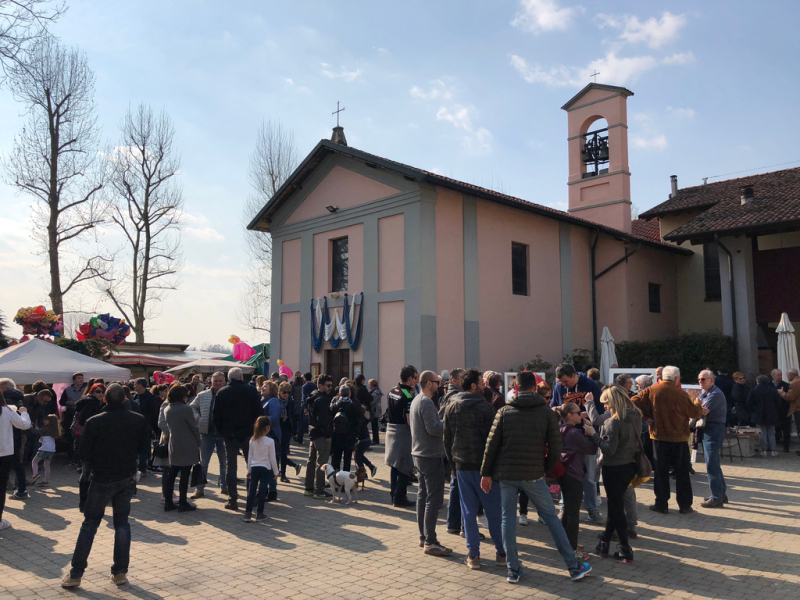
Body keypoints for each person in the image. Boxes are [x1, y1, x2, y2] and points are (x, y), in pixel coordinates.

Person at [480, 371, 592, 584]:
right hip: (534, 474)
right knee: (551, 518)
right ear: (534, 388)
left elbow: (491, 444)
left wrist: (486, 473)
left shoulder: (504, 411)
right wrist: (545, 469)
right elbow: (556, 446)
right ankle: (573, 566)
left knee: (507, 520)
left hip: (507, 474)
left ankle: (513, 569)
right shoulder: (546, 413)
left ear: (516, 388)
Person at [61, 383, 150, 588]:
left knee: (90, 524)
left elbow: (84, 453)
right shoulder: (138, 419)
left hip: (102, 477)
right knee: (122, 524)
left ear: (105, 399)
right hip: (126, 476)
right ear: (125, 399)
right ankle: (120, 572)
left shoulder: (95, 421)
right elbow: (145, 449)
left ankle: (76, 574)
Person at [444, 368, 504, 570]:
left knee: (468, 512)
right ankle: (501, 553)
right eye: (481, 382)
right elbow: (494, 442)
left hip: (462, 466)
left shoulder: (452, 406)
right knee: (493, 511)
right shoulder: (487, 408)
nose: (484, 385)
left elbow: (446, 439)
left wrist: (452, 465)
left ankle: (474, 555)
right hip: (484, 469)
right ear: (472, 385)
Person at [632, 366, 705, 514]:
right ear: (676, 378)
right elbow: (694, 413)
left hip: (659, 437)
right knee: (682, 472)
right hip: (679, 438)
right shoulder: (681, 394)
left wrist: (645, 417)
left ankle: (661, 504)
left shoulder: (651, 391)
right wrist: (698, 403)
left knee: (660, 472)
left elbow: (632, 402)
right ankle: (685, 505)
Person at [592, 386, 642, 563]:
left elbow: (609, 449)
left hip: (613, 467)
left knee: (616, 508)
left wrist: (594, 435)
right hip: (629, 465)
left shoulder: (613, 421)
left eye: (605, 403)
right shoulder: (635, 416)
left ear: (613, 402)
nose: (604, 407)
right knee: (615, 506)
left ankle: (624, 548)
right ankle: (605, 542)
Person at [552, 362, 604, 525]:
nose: (563, 385)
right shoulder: (559, 387)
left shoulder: (590, 385)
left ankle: (592, 509)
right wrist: (557, 410)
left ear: (574, 375)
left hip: (586, 435)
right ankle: (564, 507)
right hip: (567, 437)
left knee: (589, 477)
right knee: (565, 473)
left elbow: (600, 410)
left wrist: (587, 414)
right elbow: (552, 406)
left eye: (566, 381)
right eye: (561, 382)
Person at [410, 370, 451, 557]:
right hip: (429, 455)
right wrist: (447, 421)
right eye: (437, 382)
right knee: (433, 500)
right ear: (428, 383)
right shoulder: (425, 402)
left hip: (420, 454)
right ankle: (430, 541)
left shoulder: (417, 400)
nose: (439, 385)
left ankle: (423, 537)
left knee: (423, 496)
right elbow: (433, 429)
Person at [213, 367, 263, 511]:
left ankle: (232, 499)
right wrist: (255, 431)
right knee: (251, 465)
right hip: (248, 434)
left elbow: (216, 416)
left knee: (231, 467)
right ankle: (252, 497)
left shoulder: (222, 392)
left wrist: (223, 432)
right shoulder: (251, 391)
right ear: (241, 376)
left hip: (230, 435)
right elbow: (259, 413)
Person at [556, 402, 598, 561]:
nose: (581, 415)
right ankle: (572, 549)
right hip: (573, 474)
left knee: (568, 509)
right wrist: (591, 434)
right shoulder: (574, 433)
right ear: (569, 415)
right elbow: (591, 449)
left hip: (564, 473)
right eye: (578, 412)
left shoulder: (560, 429)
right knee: (573, 512)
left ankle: (565, 544)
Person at [518, 381, 553, 526]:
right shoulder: (534, 411)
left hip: (542, 453)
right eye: (547, 398)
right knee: (525, 487)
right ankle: (523, 513)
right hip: (529, 453)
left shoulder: (547, 411)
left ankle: (541, 514)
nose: (549, 400)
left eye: (550, 397)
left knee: (541, 488)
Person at [163, 384, 201, 513]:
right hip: (187, 443)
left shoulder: (167, 408)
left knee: (172, 474)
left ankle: (168, 502)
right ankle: (183, 502)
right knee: (185, 475)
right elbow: (194, 427)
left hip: (174, 443)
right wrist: (199, 443)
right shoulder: (186, 408)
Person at [189, 371, 227, 499]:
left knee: (224, 462)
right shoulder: (202, 395)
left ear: (224, 382)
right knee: (203, 463)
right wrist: (197, 417)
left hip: (224, 434)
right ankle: (199, 489)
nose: (217, 383)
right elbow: (192, 407)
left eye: (220, 381)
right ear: (211, 381)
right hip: (207, 434)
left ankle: (224, 486)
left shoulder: (228, 394)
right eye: (215, 381)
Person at [385, 365, 418, 508]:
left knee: (394, 465)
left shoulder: (392, 390)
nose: (417, 380)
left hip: (391, 430)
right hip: (403, 433)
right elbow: (410, 419)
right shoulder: (408, 396)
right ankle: (400, 497)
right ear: (410, 378)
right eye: (416, 377)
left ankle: (393, 494)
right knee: (405, 466)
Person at [696, 369, 729, 508]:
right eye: (699, 379)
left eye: (703, 379)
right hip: (708, 429)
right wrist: (697, 405)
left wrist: (697, 406)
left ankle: (716, 497)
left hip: (714, 429)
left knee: (711, 463)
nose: (700, 382)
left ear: (711, 380)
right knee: (713, 462)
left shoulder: (715, 394)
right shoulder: (705, 393)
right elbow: (698, 405)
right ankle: (721, 493)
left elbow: (701, 411)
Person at [438, 367, 465, 535]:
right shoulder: (454, 397)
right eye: (462, 378)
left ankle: (453, 523)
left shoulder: (450, 395)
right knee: (459, 485)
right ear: (454, 380)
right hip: (456, 445)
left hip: (453, 445)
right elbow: (443, 418)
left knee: (455, 485)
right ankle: (458, 524)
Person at [1, 389, 31, 531]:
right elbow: (24, 424)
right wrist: (24, 412)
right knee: (1, 488)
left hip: (4, 452)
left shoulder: (7, 410)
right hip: (4, 453)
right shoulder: (6, 411)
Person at [75, 384, 106, 511]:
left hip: (86, 442)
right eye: (98, 391)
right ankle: (84, 502)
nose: (101, 394)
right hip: (88, 442)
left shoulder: (92, 402)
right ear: (92, 392)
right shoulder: (92, 403)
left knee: (86, 473)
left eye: (103, 392)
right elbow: (84, 420)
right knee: (86, 473)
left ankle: (84, 502)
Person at [304, 374, 335, 499]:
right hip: (321, 435)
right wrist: (327, 434)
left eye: (331, 385)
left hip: (313, 433)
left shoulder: (314, 396)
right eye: (328, 385)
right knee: (321, 463)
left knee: (311, 462)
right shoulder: (322, 400)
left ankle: (308, 488)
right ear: (320, 385)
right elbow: (323, 421)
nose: (330, 388)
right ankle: (319, 490)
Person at [244, 416, 279, 522]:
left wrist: (249, 470)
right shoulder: (270, 441)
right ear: (267, 428)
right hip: (265, 468)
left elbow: (250, 456)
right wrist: (276, 472)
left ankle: (248, 513)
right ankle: (260, 513)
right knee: (262, 491)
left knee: (251, 491)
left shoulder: (252, 440)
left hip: (254, 467)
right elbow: (272, 458)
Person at [330, 385, 362, 472]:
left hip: (336, 436)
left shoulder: (334, 406)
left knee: (336, 459)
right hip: (349, 436)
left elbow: (330, 421)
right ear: (349, 394)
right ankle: (346, 478)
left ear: (340, 394)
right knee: (347, 461)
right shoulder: (353, 406)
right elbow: (357, 422)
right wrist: (356, 435)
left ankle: (336, 477)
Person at [747, 375, 782, 457]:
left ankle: (764, 450)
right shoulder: (772, 389)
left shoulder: (754, 390)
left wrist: (754, 410)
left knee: (762, 433)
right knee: (771, 433)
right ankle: (773, 450)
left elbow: (749, 402)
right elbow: (779, 402)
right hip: (772, 413)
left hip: (759, 414)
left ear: (758, 381)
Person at [277, 382, 302, 484]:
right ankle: (279, 471)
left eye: (288, 392)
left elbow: (294, 416)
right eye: (284, 392)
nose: (286, 394)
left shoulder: (291, 402)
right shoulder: (275, 401)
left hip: (286, 428)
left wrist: (294, 431)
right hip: (276, 428)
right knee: (276, 452)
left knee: (283, 452)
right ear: (279, 391)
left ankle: (283, 474)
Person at [31, 414, 60, 488]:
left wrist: (30, 426)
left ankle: (35, 474)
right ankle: (46, 481)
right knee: (47, 465)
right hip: (52, 449)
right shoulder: (54, 430)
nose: (44, 421)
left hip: (44, 448)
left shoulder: (46, 428)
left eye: (46, 420)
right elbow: (40, 431)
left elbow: (36, 432)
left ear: (49, 421)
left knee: (34, 461)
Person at [771, 369, 792, 452]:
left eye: (781, 375)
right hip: (773, 410)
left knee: (786, 429)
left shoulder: (786, 385)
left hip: (785, 410)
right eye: (778, 375)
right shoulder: (769, 385)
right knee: (776, 428)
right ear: (773, 376)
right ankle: (776, 442)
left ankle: (786, 446)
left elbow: (790, 397)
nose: (780, 376)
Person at [297, 372, 317, 444]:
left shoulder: (304, 386)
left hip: (306, 405)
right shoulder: (315, 385)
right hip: (313, 405)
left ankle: (300, 438)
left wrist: (305, 407)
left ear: (305, 378)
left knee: (302, 422)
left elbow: (304, 397)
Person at [368, 378, 382, 444]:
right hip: (375, 410)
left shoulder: (376, 392)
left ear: (372, 385)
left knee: (375, 426)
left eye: (370, 385)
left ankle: (375, 440)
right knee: (374, 425)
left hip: (375, 410)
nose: (369, 386)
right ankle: (375, 439)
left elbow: (372, 401)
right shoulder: (375, 391)